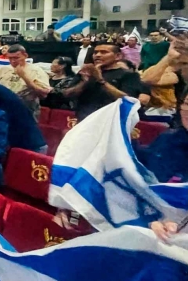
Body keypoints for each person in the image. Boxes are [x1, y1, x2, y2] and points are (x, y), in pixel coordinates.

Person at [136, 98, 188, 241]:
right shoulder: (166, 140)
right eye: (187, 104)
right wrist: (151, 218)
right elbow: (144, 182)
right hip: (159, 229)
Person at [63, 44, 151, 121]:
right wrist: (84, 82)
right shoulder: (87, 72)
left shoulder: (129, 75)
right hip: (84, 119)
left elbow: (127, 100)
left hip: (112, 122)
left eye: (104, 52)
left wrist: (101, 80)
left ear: (118, 56)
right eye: (95, 52)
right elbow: (67, 95)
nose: (98, 55)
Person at [0, 44, 51, 120]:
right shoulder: (3, 70)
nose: (13, 61)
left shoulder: (36, 71)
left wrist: (24, 77)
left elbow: (44, 94)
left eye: (16, 58)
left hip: (26, 110)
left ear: (25, 55)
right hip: (4, 109)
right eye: (10, 58)